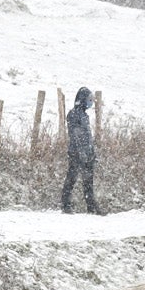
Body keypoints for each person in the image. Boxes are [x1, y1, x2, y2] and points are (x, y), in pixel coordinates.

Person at [61, 86, 100, 215]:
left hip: (87, 153)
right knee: (72, 178)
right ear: (82, 99)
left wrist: (92, 152)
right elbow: (75, 135)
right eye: (89, 99)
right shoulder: (73, 114)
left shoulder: (84, 115)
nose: (91, 102)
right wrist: (80, 152)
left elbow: (87, 137)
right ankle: (65, 205)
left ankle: (91, 207)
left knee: (88, 180)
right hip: (76, 153)